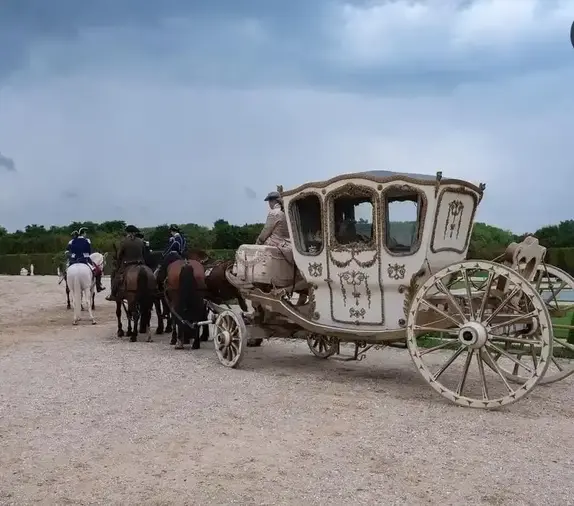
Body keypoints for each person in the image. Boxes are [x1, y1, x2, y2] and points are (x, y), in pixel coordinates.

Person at [105, 225, 146, 301]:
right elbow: (144, 254)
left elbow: (119, 255)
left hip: (127, 264)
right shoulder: (140, 241)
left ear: (128, 233)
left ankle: (113, 294)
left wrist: (118, 263)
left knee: (116, 277)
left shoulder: (124, 242)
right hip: (140, 263)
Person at [256, 191, 293, 262]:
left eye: (269, 202)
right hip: (289, 245)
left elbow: (265, 232)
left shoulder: (274, 213)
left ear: (272, 201)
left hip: (277, 244)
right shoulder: (286, 212)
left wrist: (257, 244)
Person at [66, 228, 105, 292]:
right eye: (85, 233)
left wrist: (72, 255)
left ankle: (68, 285)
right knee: (98, 270)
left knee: (67, 270)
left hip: (74, 259)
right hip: (84, 258)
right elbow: (89, 250)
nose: (86, 234)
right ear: (83, 233)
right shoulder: (87, 240)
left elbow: (68, 250)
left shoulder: (72, 241)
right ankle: (98, 286)